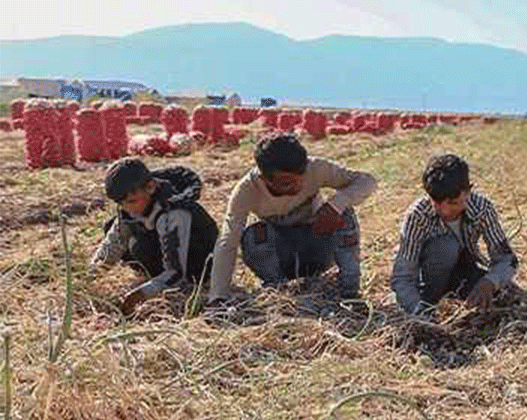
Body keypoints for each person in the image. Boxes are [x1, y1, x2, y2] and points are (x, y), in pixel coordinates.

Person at [206, 132, 376, 304]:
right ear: (265, 178)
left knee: (344, 213)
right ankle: (280, 292)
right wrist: (218, 295)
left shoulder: (315, 168)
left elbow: (367, 180)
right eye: (287, 183)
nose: (298, 186)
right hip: (280, 259)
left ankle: (349, 292)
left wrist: (335, 204)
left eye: (301, 178)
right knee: (253, 236)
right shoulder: (246, 191)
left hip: (319, 247)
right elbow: (227, 242)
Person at [390, 154, 518, 315]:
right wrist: (418, 311)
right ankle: (431, 304)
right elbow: (403, 276)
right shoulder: (417, 216)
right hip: (429, 281)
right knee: (446, 246)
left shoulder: (482, 209)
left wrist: (490, 282)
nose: (444, 211)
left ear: (468, 191)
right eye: (436, 202)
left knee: (505, 297)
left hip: (463, 272)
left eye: (453, 203)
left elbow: (507, 259)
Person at [92, 158, 218, 315]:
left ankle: (164, 282)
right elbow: (114, 242)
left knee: (141, 246)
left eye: (131, 201)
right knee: (112, 225)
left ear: (151, 187)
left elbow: (176, 273)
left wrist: (143, 293)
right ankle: (156, 278)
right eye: (121, 203)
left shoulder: (173, 212)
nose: (126, 208)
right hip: (163, 254)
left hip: (195, 265)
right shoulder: (131, 206)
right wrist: (91, 275)